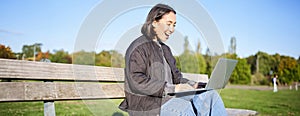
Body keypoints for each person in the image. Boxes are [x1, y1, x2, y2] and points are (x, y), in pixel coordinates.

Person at [119, 4, 227, 116]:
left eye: (174, 25)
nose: (172, 29)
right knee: (187, 109)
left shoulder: (165, 49)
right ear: (154, 23)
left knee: (211, 96)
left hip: (171, 97)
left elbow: (177, 78)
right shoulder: (138, 47)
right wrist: (173, 88)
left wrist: (193, 84)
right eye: (168, 24)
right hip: (149, 104)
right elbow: (137, 80)